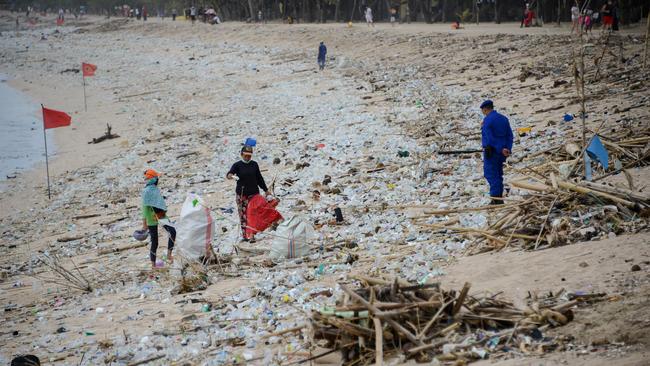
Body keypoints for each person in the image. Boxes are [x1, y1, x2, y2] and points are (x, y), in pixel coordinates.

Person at [227, 146, 272, 242]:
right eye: (246, 155)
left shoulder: (254, 165)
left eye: (249, 156)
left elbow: (259, 178)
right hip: (242, 195)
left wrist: (266, 190)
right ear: (241, 154)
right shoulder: (237, 165)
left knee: (253, 214)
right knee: (243, 215)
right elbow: (229, 174)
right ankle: (245, 235)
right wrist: (231, 176)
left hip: (254, 194)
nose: (248, 157)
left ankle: (251, 235)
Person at [480, 100, 513, 205]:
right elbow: (510, 136)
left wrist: (500, 148)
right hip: (503, 152)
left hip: (492, 151)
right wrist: (507, 148)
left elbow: (490, 138)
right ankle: (498, 197)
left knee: (491, 174)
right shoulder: (503, 118)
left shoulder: (487, 121)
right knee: (498, 174)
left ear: (485, 109)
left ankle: (496, 199)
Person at [141, 169, 175, 269]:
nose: (158, 179)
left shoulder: (155, 189)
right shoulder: (146, 191)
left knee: (172, 231)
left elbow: (159, 203)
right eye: (156, 178)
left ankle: (169, 254)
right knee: (154, 241)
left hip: (161, 215)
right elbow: (144, 208)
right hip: (151, 218)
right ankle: (153, 265)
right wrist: (144, 223)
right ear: (153, 179)